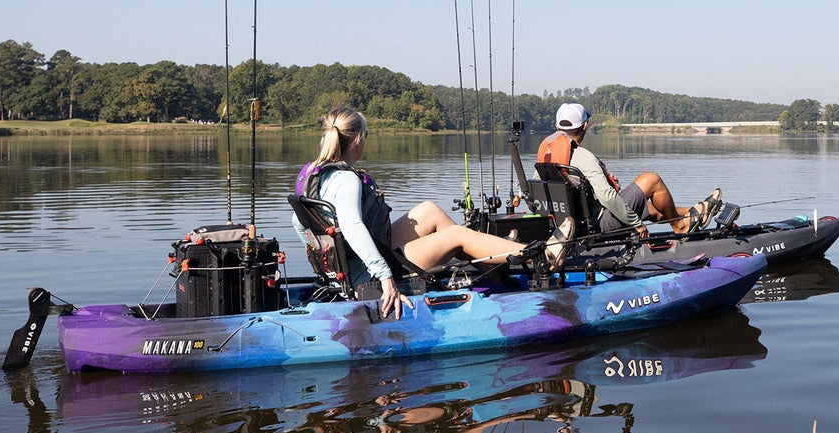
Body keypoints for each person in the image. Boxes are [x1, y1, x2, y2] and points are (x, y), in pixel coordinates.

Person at [293, 107, 540, 318]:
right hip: (366, 273)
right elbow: (352, 227)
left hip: (351, 264)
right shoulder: (346, 179)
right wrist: (385, 277)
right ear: (357, 139)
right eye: (366, 135)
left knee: (429, 210)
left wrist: (328, 264)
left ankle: (494, 263)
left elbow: (298, 221)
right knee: (456, 235)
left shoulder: (311, 173)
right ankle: (541, 254)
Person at [537, 103, 722, 237]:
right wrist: (636, 224)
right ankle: (681, 226)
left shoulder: (545, 156)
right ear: (585, 126)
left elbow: (532, 190)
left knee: (650, 208)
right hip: (597, 225)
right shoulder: (583, 157)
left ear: (557, 127)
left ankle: (694, 212)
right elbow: (608, 197)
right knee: (651, 179)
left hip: (571, 224)